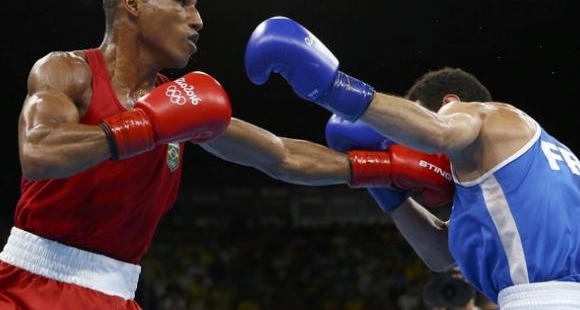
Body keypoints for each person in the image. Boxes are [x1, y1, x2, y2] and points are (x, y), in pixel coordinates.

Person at [0, 0, 453, 309]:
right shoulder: (68, 72)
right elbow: (39, 151)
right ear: (132, 4)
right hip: (28, 286)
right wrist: (145, 126)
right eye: (181, 1)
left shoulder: (180, 105)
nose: (197, 19)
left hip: (115, 292)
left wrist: (386, 169)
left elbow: (280, 156)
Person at [244, 16, 580, 308]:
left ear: (450, 102)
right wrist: (383, 183)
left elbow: (437, 131)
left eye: (412, 118)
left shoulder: (486, 115)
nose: (405, 140)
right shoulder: (534, 165)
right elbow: (440, 255)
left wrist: (333, 88)